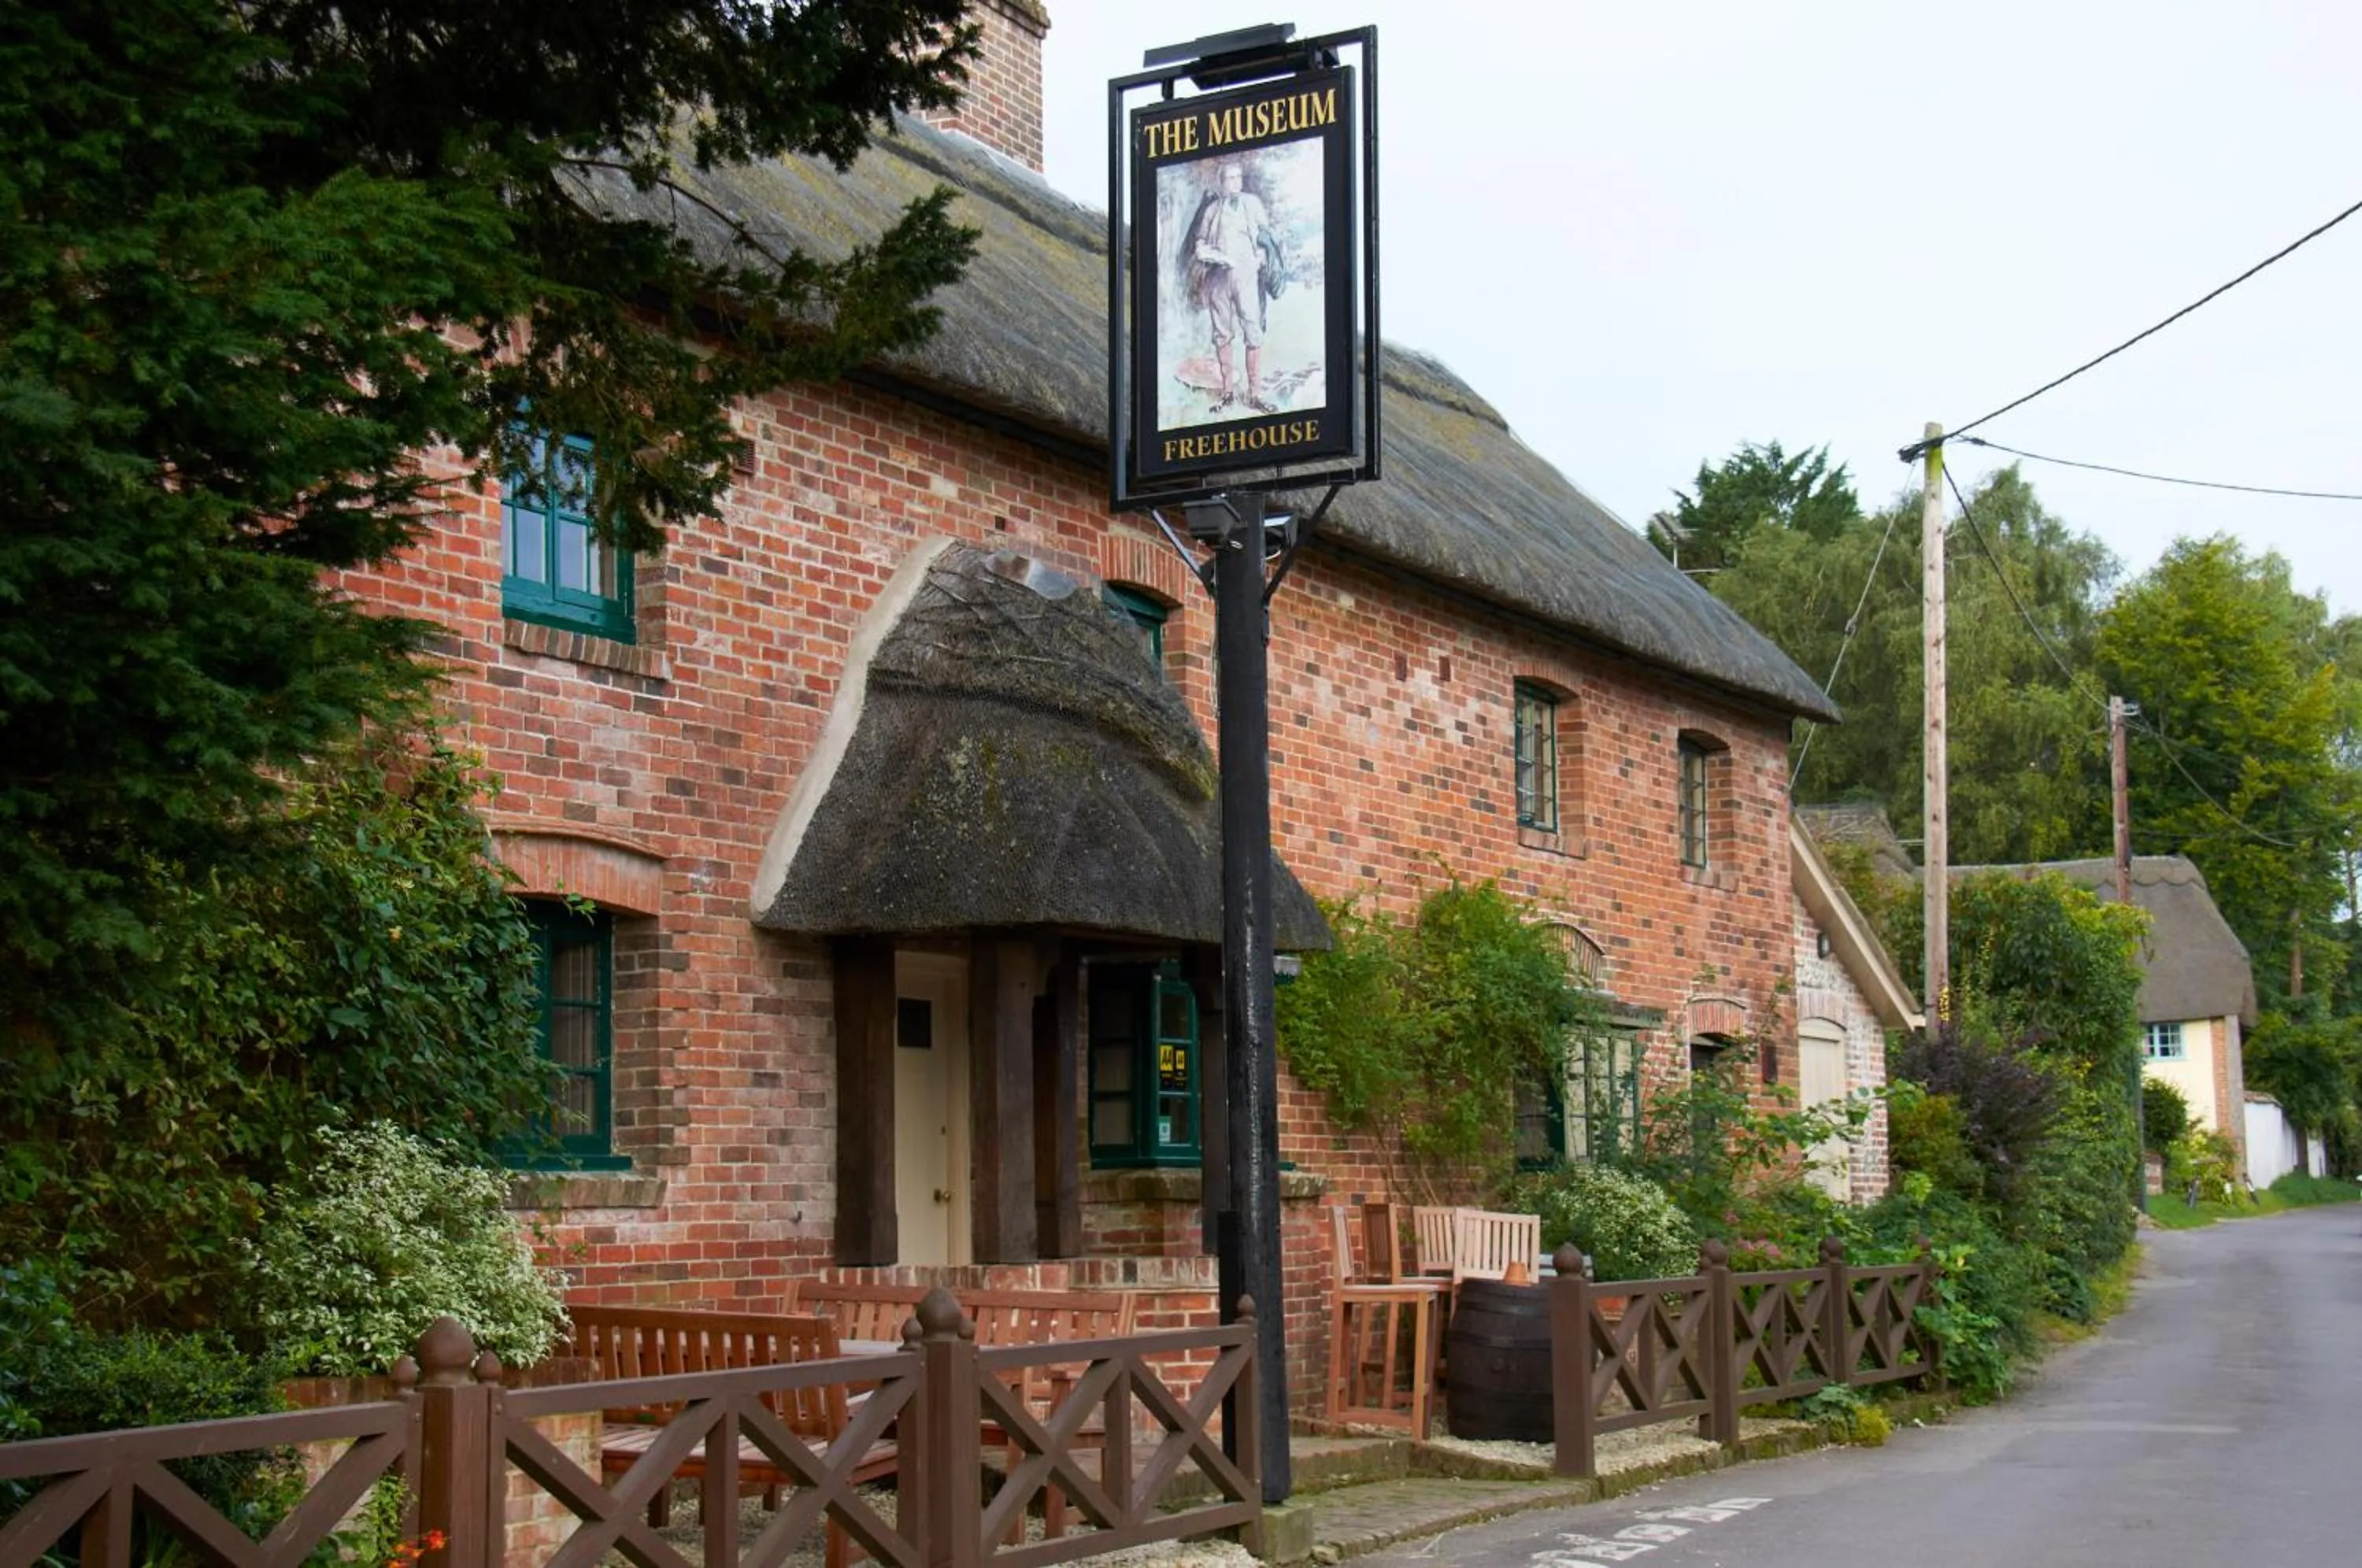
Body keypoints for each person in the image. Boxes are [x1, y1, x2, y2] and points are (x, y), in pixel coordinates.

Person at [1181, 161, 1283, 415]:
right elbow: (1200, 242)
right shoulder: (1212, 210)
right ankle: (1227, 393)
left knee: (1253, 331)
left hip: (1246, 277)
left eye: (1238, 177)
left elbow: (1266, 235)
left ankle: (1255, 395)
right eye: (1230, 178)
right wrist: (1207, 253)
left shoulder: (1252, 204)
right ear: (1222, 182)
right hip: (1218, 279)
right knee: (1222, 334)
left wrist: (1260, 257)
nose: (1235, 182)